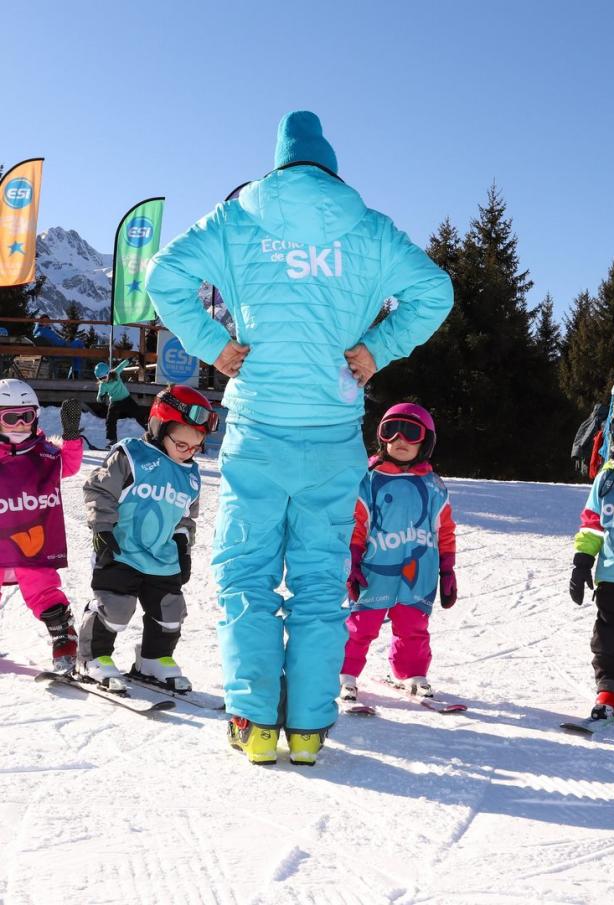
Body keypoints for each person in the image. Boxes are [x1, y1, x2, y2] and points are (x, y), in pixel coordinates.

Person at [146, 110, 453, 765]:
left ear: (278, 163)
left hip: (257, 432)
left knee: (247, 576)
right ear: (330, 168)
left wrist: (212, 346)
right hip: (334, 436)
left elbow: (163, 277)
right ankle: (310, 730)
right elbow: (434, 291)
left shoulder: (237, 219)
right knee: (317, 582)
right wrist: (378, 347)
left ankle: (255, 724)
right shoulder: (368, 229)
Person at [76, 385, 217, 691]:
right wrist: (102, 529)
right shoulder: (131, 455)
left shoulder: (190, 474)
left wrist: (182, 545)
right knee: (115, 608)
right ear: (158, 426)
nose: (189, 452)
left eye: (196, 447)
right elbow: (99, 491)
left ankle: (153, 659)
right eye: (181, 444)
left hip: (161, 558)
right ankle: (92, 657)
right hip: (121, 550)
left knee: (170, 611)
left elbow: (184, 516)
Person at [339, 403, 457, 703]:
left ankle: (410, 673)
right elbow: (358, 521)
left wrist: (447, 566)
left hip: (419, 573)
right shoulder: (369, 479)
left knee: (413, 626)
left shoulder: (433, 485)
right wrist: (352, 560)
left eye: (411, 432)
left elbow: (444, 528)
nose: (400, 440)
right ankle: (345, 674)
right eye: (391, 431)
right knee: (361, 624)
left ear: (426, 441)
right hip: (375, 569)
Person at [0, 379, 83, 672]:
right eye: (11, 417)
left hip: (33, 538)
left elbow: (69, 466)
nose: (20, 424)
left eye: (27, 416)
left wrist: (71, 437)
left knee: (40, 585)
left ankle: (63, 634)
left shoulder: (44, 454)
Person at [570, 390, 614, 720]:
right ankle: (612, 691)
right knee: (611, 638)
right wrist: (582, 560)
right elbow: (592, 524)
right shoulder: (608, 478)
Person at [94, 359, 146, 448]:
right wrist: (101, 398)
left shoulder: (115, 373)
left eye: (104, 377)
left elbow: (121, 365)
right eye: (100, 378)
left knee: (139, 414)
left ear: (109, 373)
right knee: (110, 420)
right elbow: (99, 396)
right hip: (115, 402)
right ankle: (112, 440)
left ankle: (151, 432)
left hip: (126, 399)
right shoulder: (103, 385)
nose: (103, 380)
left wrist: (129, 360)